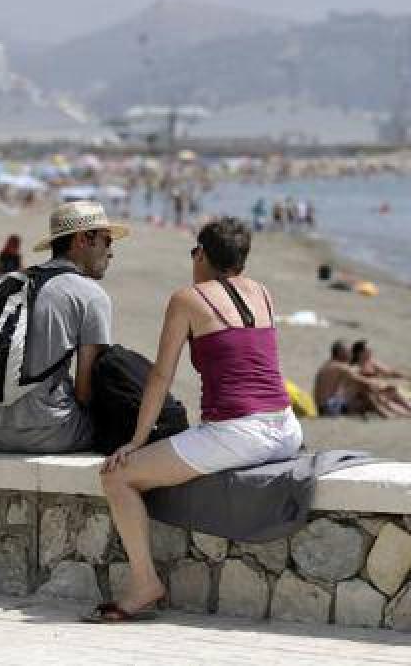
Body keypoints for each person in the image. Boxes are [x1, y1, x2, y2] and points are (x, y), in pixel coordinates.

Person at [93, 217, 303, 622]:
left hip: (239, 433)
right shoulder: (263, 293)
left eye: (194, 252)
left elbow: (160, 376)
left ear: (203, 254)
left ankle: (144, 584)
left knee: (117, 477)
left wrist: (137, 440)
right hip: (286, 428)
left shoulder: (188, 299)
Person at [0, 201, 127, 453]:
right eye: (107, 241)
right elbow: (85, 391)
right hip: (52, 431)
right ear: (83, 239)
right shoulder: (90, 295)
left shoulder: (11, 282)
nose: (111, 252)